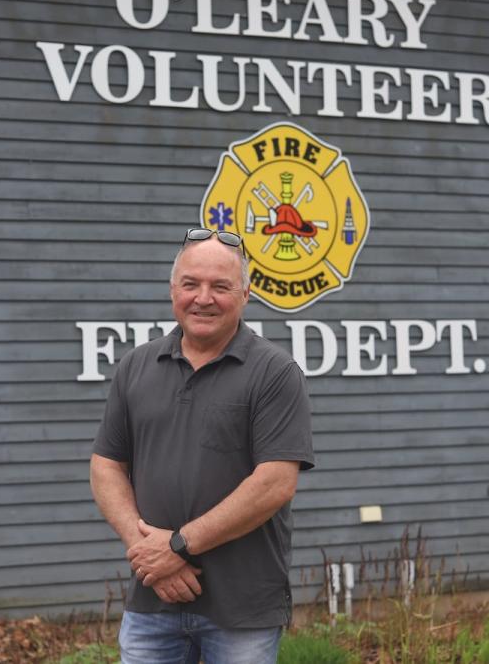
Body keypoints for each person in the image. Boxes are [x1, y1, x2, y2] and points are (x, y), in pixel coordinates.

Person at [90, 227, 315, 664]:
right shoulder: (137, 366)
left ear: (245, 294)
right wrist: (148, 555)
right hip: (152, 601)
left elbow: (274, 483)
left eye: (220, 286)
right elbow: (106, 465)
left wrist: (176, 547)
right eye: (191, 284)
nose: (203, 298)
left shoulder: (275, 372)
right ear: (173, 290)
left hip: (241, 608)